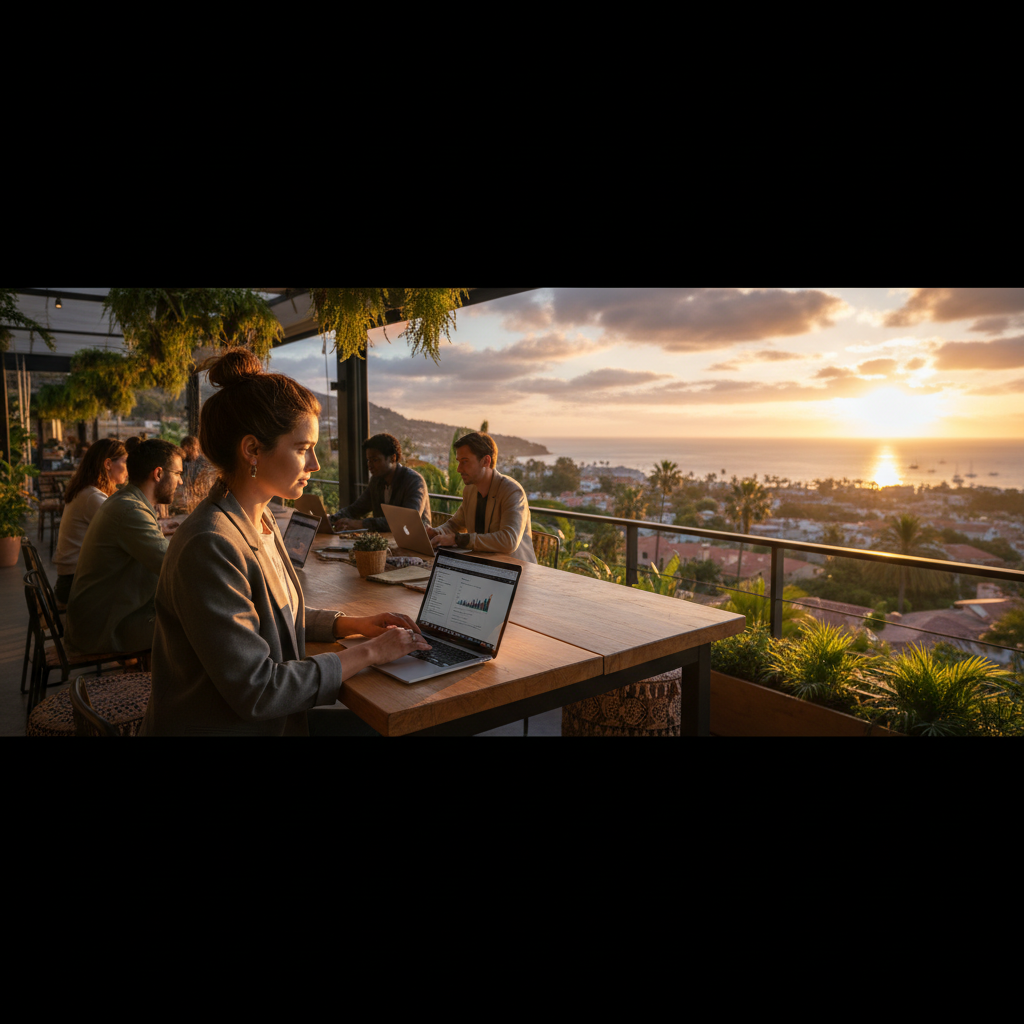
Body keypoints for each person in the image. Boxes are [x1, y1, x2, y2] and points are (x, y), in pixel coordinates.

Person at [139, 349, 430, 737]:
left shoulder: (260, 521)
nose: (315, 465)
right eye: (302, 449)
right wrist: (372, 652)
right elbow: (259, 690)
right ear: (252, 450)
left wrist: (353, 625)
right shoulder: (210, 544)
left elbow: (274, 615)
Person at [65, 439, 184, 655]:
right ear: (158, 474)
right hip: (103, 629)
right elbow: (173, 566)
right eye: (177, 473)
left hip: (96, 620)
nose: (181, 481)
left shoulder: (127, 501)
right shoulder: (131, 511)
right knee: (197, 622)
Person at [426, 432, 537, 563]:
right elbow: (455, 525)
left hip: (515, 570)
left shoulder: (512, 491)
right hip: (483, 567)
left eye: (465, 461)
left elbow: (508, 541)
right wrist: (435, 532)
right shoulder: (470, 491)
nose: (459, 469)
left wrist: (457, 539)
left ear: (486, 461)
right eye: (459, 462)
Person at [52, 438, 129, 605]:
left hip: (73, 578)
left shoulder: (89, 491)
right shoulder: (92, 496)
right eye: (125, 462)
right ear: (108, 464)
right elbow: (126, 531)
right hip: (76, 583)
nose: (129, 468)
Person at [330, 432, 431, 532]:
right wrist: (331, 519)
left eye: (375, 460)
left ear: (393, 458)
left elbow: (407, 519)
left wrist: (360, 524)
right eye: (368, 460)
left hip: (415, 540)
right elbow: (356, 509)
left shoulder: (414, 481)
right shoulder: (376, 481)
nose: (369, 465)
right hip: (386, 540)